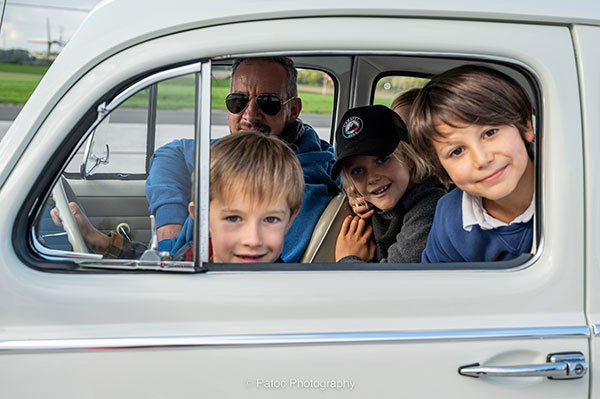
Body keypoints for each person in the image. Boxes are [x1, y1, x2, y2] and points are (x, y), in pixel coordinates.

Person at [145, 56, 338, 263]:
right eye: (238, 100)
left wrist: (168, 250)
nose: (250, 116)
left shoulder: (299, 187)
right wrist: (169, 226)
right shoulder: (233, 153)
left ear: (293, 111)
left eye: (268, 103)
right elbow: (171, 153)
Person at [52, 132, 304, 263]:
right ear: (202, 217)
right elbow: (160, 266)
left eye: (270, 219)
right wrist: (99, 240)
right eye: (234, 217)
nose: (253, 239)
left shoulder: (290, 287)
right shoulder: (193, 255)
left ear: (291, 219)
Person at [409, 65, 535, 263]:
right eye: (457, 151)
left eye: (490, 132)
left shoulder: (578, 178)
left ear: (526, 126)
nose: (482, 159)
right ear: (444, 172)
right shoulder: (450, 218)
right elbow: (439, 287)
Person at [333, 105, 446, 263]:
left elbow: (390, 280)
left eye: (381, 160)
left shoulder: (430, 208)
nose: (371, 178)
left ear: (409, 159)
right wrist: (353, 194)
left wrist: (348, 259)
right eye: (357, 171)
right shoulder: (369, 203)